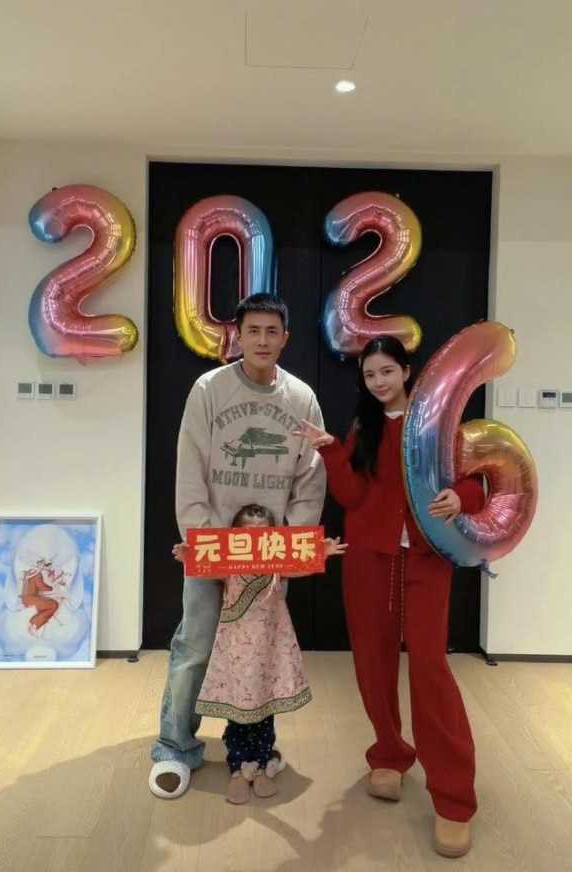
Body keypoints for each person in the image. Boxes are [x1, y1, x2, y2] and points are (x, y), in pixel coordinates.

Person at [294, 335, 485, 859]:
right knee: (372, 663)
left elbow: (478, 482)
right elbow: (352, 496)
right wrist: (331, 451)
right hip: (369, 559)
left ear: (406, 370)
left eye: (386, 371)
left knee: (429, 668)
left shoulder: (439, 427)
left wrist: (461, 496)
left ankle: (454, 798)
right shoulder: (365, 427)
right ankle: (389, 754)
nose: (379, 381)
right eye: (370, 374)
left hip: (426, 561)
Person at [149, 294, 326, 800]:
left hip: (269, 557)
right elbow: (190, 469)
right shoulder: (210, 389)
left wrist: (286, 549)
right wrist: (205, 541)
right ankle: (175, 746)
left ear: (285, 338)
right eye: (253, 330)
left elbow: (310, 479)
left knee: (259, 652)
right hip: (214, 549)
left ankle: (253, 747)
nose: (262, 340)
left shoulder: (302, 398)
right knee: (196, 644)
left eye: (272, 331)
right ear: (238, 336)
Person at [172, 502, 347, 804]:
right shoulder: (228, 568)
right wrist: (191, 555)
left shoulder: (276, 566)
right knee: (238, 713)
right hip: (236, 656)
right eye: (246, 534)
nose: (254, 540)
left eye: (261, 534)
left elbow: (300, 565)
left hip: (267, 654)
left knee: (265, 710)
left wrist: (322, 552)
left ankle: (264, 759)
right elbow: (205, 564)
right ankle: (239, 767)